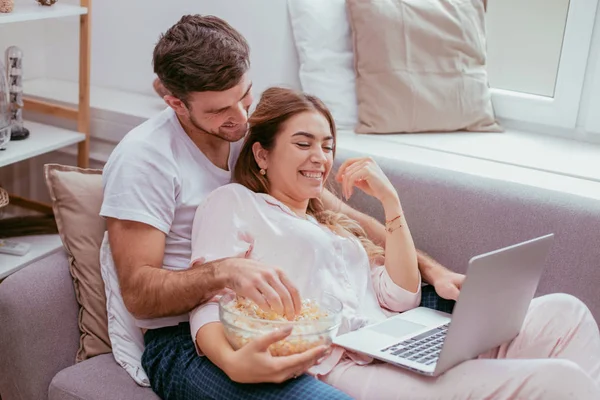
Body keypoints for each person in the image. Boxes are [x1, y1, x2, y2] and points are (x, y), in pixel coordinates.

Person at [100, 14, 462, 399]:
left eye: (244, 96)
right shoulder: (144, 160)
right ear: (174, 101)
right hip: (183, 340)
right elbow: (139, 293)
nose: (241, 119)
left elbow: (337, 213)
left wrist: (433, 270)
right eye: (220, 110)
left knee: (466, 312)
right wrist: (225, 273)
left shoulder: (246, 135)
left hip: (281, 310)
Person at [188, 86, 600, 400]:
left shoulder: (332, 225)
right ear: (261, 155)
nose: (320, 157)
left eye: (327, 145)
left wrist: (391, 202)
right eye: (303, 143)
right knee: (559, 381)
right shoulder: (235, 203)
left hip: (395, 337)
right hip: (342, 362)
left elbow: (402, 296)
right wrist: (231, 361)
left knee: (568, 313)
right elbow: (206, 297)